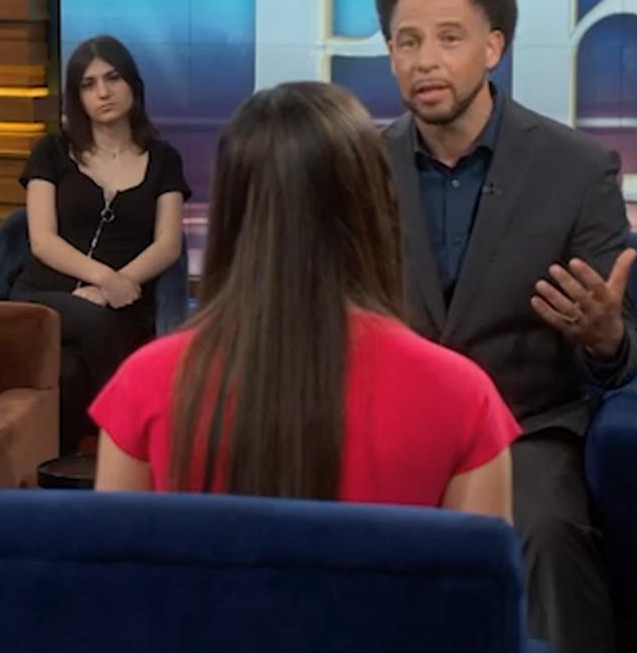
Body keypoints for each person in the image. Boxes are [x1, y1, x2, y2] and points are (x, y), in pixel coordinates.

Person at [374, 0, 637, 652]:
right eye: (407, 42)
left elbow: (623, 355)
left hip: (521, 428)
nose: (425, 61)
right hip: (385, 425)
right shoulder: (355, 166)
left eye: (448, 38)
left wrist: (604, 336)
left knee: (546, 530)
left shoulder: (576, 169)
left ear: (493, 47)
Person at [92, 83, 517, 522]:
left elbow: (115, 564)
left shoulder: (142, 386)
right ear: (376, 206)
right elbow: (481, 568)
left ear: (230, 211)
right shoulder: (464, 398)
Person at [10, 34, 189, 454]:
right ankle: (136, 444)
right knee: (94, 325)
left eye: (112, 78)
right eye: (88, 85)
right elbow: (42, 240)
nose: (103, 92)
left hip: (126, 302)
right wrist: (103, 280)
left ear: (132, 84)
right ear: (77, 98)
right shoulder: (52, 152)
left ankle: (61, 466)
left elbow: (167, 244)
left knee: (70, 372)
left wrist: (114, 289)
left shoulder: (164, 159)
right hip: (45, 293)